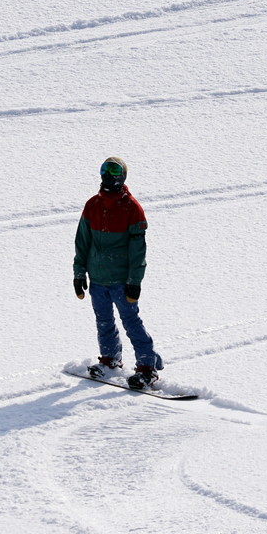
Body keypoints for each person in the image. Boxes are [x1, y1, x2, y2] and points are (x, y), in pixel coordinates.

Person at [73, 157, 164, 389]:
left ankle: (147, 368)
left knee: (131, 322)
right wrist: (79, 273)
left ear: (122, 176)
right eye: (105, 170)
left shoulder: (132, 208)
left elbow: (138, 251)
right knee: (103, 322)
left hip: (122, 281)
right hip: (97, 280)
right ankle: (110, 360)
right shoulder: (92, 205)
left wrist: (135, 281)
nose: (108, 175)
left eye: (114, 171)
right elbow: (82, 242)